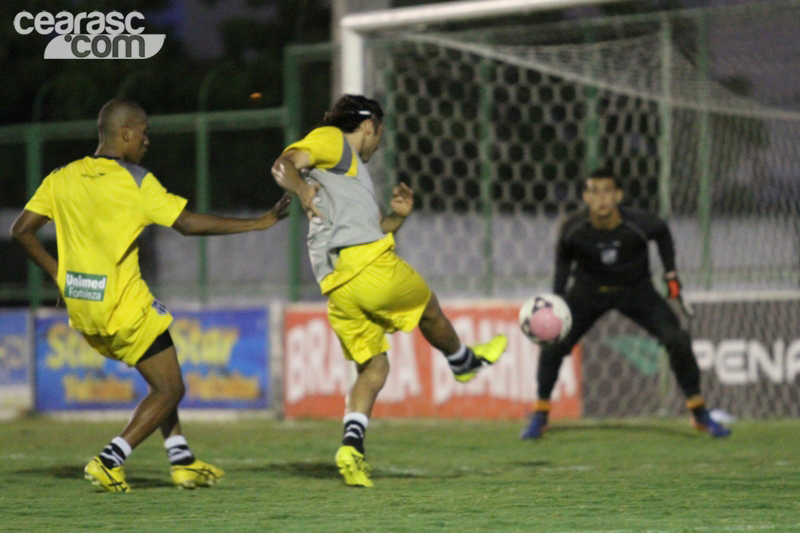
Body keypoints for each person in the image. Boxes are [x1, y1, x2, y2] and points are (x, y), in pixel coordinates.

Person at [10, 97, 291, 492]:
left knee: (162, 378)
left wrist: (59, 275)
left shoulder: (62, 177)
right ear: (124, 133)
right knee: (171, 388)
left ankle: (181, 460)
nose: (147, 141)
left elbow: (21, 231)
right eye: (144, 133)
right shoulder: (136, 181)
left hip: (82, 305)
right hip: (124, 306)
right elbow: (189, 224)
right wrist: (259, 223)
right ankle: (110, 460)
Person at [272, 94, 508, 488]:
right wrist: (300, 189)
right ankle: (463, 361)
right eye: (379, 133)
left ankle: (351, 447)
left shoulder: (345, 174)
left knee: (374, 367)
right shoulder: (332, 140)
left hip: (340, 287)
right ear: (368, 126)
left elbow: (370, 230)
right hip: (370, 268)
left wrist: (396, 218)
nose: (378, 142)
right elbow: (282, 165)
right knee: (428, 305)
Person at [520, 167, 731, 440]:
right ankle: (540, 413)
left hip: (636, 290)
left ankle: (699, 412)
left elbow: (663, 233)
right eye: (594, 191)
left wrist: (671, 274)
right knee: (553, 342)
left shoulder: (639, 223)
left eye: (607, 190)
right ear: (585, 197)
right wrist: (556, 301)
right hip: (587, 292)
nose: (601, 198)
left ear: (618, 194)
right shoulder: (573, 228)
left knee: (676, 338)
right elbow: (563, 261)